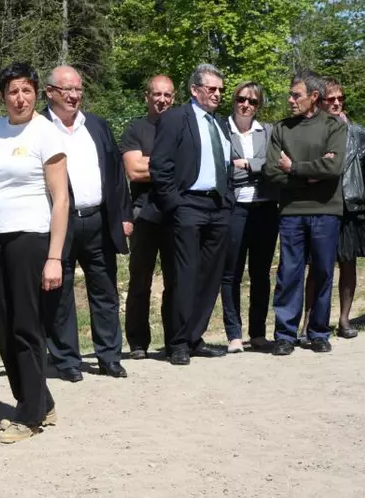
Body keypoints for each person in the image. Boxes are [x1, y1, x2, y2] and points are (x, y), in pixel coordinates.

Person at [0, 62, 69, 444]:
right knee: (1, 325)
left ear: (36, 92)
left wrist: (54, 256)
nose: (20, 98)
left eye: (26, 90)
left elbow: (61, 201)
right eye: (12, 91)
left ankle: (29, 415)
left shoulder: (46, 133)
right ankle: (41, 399)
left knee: (26, 326)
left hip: (31, 240)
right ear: (3, 96)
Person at [42, 65, 132, 381]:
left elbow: (116, 174)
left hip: (98, 220)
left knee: (105, 289)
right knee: (59, 293)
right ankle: (67, 360)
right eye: (67, 89)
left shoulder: (96, 125)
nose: (74, 95)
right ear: (50, 91)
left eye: (78, 89)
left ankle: (109, 356)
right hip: (58, 224)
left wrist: (124, 215)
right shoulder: (38, 128)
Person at [147, 63, 232, 365]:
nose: (218, 94)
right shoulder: (175, 118)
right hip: (188, 206)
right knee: (184, 276)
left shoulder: (220, 123)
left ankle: (195, 337)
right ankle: (178, 342)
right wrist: (176, 204)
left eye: (221, 89)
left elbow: (227, 165)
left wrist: (228, 201)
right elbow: (160, 165)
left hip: (218, 207)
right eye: (212, 89)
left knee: (209, 277)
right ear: (195, 90)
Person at [264, 70, 347, 355]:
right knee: (289, 273)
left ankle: (318, 332)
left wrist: (295, 168)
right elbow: (271, 172)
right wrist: (312, 173)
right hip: (291, 213)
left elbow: (333, 168)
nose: (290, 100)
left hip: (326, 211)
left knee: (323, 272)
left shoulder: (334, 126)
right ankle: (285, 335)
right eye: (290, 94)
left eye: (296, 95)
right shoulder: (281, 129)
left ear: (313, 97)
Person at [301, 76, 365, 340]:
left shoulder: (360, 133)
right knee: (318, 266)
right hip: (319, 204)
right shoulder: (310, 130)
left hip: (351, 205)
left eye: (340, 98)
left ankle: (343, 320)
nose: (337, 103)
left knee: (348, 264)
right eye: (331, 99)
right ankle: (309, 322)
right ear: (320, 101)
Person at [219, 82, 277, 353]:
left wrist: (247, 164)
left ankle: (257, 333)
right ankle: (234, 334)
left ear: (258, 106)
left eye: (253, 102)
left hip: (264, 208)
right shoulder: (221, 129)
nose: (246, 105)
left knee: (261, 274)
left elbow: (274, 164)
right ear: (234, 100)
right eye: (242, 99)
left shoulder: (267, 131)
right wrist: (256, 167)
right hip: (234, 208)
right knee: (231, 273)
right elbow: (224, 169)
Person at [122, 74, 176, 359]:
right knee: (139, 281)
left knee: (175, 280)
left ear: (174, 97)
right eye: (157, 94)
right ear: (147, 97)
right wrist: (171, 165)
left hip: (175, 214)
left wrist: (152, 162)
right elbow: (134, 170)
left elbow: (149, 166)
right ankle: (138, 342)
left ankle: (174, 340)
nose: (162, 99)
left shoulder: (181, 127)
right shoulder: (136, 129)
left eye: (167, 95)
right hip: (143, 214)